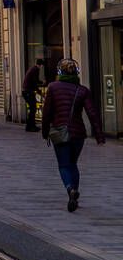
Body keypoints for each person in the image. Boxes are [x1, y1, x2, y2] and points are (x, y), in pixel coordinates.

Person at [41, 58, 105, 212]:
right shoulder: (82, 90)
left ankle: (70, 190)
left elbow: (47, 112)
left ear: (59, 72)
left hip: (60, 131)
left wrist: (45, 132)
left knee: (64, 165)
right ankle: (74, 194)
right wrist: (99, 135)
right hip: (78, 134)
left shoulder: (53, 87)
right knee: (73, 164)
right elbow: (92, 113)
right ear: (76, 72)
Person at [22, 59, 44, 132]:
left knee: (32, 109)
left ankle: (31, 126)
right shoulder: (35, 70)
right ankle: (30, 127)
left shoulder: (33, 69)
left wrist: (41, 82)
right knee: (33, 109)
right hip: (28, 92)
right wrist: (39, 91)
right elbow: (34, 82)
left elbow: (35, 80)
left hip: (27, 91)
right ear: (40, 65)